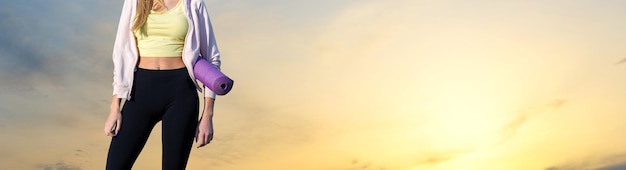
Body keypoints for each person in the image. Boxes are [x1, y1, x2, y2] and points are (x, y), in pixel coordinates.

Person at [103, 0, 221, 169]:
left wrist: (208, 114)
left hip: (180, 93)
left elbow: (211, 59)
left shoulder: (194, 4)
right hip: (139, 92)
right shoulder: (135, 2)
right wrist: (115, 107)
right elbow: (121, 53)